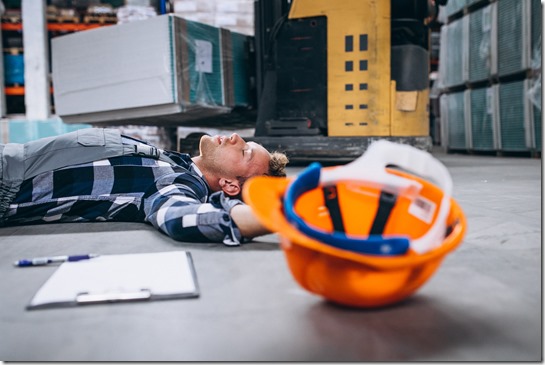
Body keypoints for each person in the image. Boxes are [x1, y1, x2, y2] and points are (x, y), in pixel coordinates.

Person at [0, 128, 289, 245]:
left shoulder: (173, 182)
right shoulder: (170, 162)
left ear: (229, 185)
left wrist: (282, 215)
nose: (237, 137)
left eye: (245, 153)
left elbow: (181, 217)